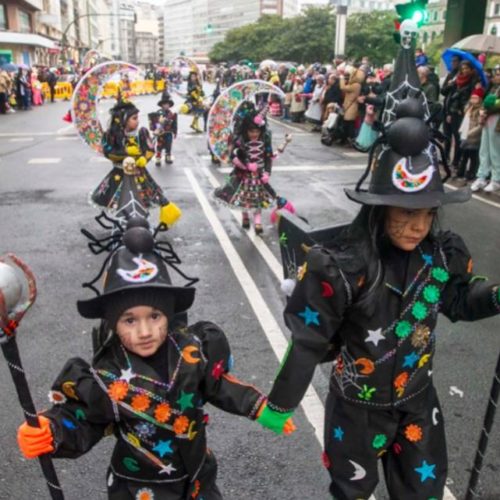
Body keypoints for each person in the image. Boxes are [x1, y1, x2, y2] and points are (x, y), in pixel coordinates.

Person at [257, 47, 500, 500]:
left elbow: (461, 302)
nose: (416, 226)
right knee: (352, 493)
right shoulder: (343, 267)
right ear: (377, 209)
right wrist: (280, 402)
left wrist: (497, 296)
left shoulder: (442, 256)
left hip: (417, 404)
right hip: (357, 410)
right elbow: (310, 340)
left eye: (427, 214)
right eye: (404, 213)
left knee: (421, 493)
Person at [17, 225, 294, 499]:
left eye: (154, 316)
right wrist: (52, 430)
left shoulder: (192, 350)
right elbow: (85, 419)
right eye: (129, 320)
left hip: (198, 478)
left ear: (168, 315)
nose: (145, 331)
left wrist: (259, 408)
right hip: (141, 487)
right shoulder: (106, 374)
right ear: (113, 323)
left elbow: (218, 386)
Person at [92, 93, 182, 227]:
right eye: (134, 118)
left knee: (144, 198)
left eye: (137, 118)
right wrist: (125, 153)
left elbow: (150, 149)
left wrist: (144, 159)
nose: (137, 121)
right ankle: (123, 223)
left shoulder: (142, 132)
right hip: (119, 174)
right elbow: (108, 152)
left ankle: (140, 223)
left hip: (139, 173)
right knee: (121, 200)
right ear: (122, 120)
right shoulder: (111, 135)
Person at [214, 104, 289, 235]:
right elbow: (232, 156)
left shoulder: (265, 140)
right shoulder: (239, 141)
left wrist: (267, 172)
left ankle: (258, 222)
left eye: (257, 131)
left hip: (259, 177)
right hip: (244, 176)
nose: (254, 134)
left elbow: (268, 158)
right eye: (251, 131)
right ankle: (245, 216)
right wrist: (245, 165)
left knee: (258, 199)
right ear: (245, 130)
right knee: (243, 198)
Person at [471, 65, 500, 193]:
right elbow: (485, 102)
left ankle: (496, 179)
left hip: (497, 122)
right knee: (484, 150)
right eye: (495, 74)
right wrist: (482, 110)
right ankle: (482, 176)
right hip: (488, 121)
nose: (495, 77)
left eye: (498, 74)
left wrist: (487, 109)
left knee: (495, 151)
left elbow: (495, 105)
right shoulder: (493, 88)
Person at [455, 87, 484, 184]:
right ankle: (461, 172)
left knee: (473, 157)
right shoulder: (469, 108)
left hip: (473, 137)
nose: (473, 100)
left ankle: (471, 173)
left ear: (480, 99)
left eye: (475, 98)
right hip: (465, 136)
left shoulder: (480, 111)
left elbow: (480, 126)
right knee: (464, 155)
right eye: (472, 98)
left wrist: (470, 133)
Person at [152, 94, 177, 166]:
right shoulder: (158, 113)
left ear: (169, 105)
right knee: (159, 146)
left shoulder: (172, 114)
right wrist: (157, 128)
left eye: (167, 104)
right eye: (164, 104)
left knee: (168, 145)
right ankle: (158, 159)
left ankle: (168, 158)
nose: (166, 105)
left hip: (169, 133)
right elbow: (155, 122)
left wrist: (175, 131)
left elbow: (175, 123)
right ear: (162, 105)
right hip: (161, 133)